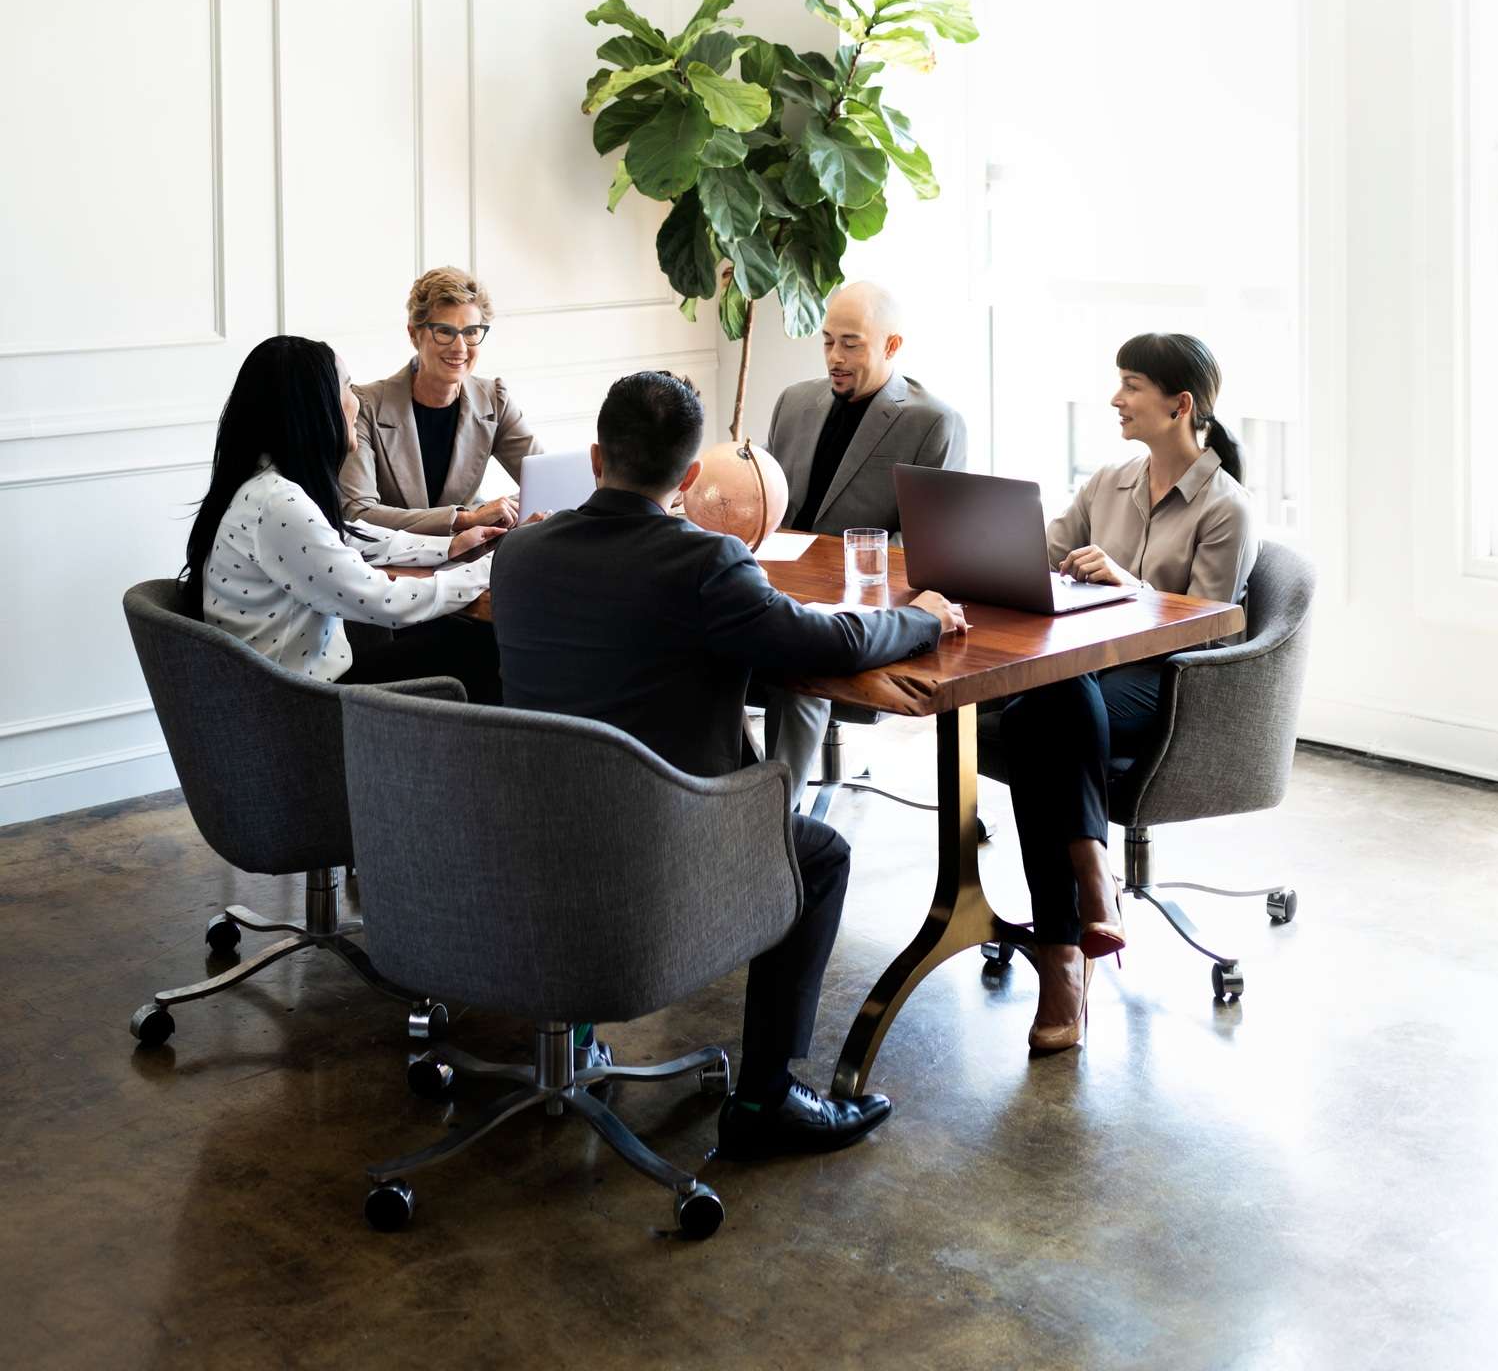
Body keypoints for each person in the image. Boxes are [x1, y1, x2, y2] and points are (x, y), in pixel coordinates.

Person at [489, 369, 969, 1160]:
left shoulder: (523, 552)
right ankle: (766, 1098)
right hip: (659, 842)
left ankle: (573, 1035)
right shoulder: (705, 564)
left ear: (596, 455)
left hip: (528, 830)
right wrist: (915, 619)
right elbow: (833, 643)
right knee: (817, 854)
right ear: (688, 479)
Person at [978, 332, 1259, 1055]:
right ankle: (1088, 884)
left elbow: (1211, 630)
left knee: (1044, 702)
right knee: (1049, 699)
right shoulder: (1109, 482)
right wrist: (976, 555)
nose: (1116, 399)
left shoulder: (1226, 509)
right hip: (1081, 684)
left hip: (1167, 685)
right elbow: (1034, 555)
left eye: (1132, 385)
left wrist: (1129, 587)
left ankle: (1064, 957)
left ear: (1180, 406)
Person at [185, 335, 506, 701]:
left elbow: (349, 537)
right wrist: (488, 570)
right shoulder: (277, 504)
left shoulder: (263, 485)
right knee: (479, 644)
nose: (358, 400)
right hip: (303, 704)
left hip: (282, 688)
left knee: (460, 639)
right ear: (315, 407)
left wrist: (451, 546)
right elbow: (385, 601)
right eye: (349, 386)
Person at [758, 280, 967, 802]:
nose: (834, 357)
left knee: (800, 661)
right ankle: (724, 796)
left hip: (861, 604)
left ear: (891, 346)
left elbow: (926, 545)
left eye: (851, 343)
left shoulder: (932, 422)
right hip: (773, 587)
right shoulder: (795, 402)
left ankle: (780, 818)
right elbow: (765, 503)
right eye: (827, 341)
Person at [340, 265, 543, 537]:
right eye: (445, 331)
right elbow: (358, 512)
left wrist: (501, 511)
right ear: (414, 334)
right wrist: (465, 519)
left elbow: (546, 482)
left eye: (471, 332)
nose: (460, 347)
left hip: (471, 558)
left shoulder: (494, 399)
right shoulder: (366, 405)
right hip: (395, 565)